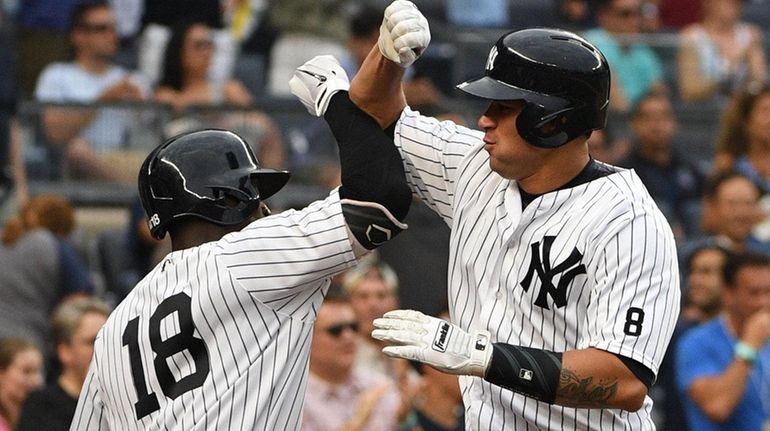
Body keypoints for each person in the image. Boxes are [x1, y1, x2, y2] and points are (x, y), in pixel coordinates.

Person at [345, 2, 680, 429]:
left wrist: (481, 355)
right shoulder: (473, 163)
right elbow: (374, 110)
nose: (484, 119)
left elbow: (626, 381)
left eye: (504, 107)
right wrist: (389, 57)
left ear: (551, 120)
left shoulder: (629, 221)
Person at [70, 55, 413, 429]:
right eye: (253, 195)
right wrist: (335, 100)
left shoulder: (114, 326)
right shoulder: (246, 255)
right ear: (228, 201)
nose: (264, 208)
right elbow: (380, 201)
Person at [34, 1, 148, 182]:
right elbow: (54, 133)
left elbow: (151, 131)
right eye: (102, 28)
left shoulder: (132, 79)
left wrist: (144, 107)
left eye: (114, 28)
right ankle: (131, 190)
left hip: (122, 158)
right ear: (78, 35)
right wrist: (104, 99)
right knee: (78, 149)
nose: (112, 35)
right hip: (73, 167)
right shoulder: (56, 74)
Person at [154, 20, 285, 169]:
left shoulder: (228, 89)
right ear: (179, 50)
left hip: (231, 160)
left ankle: (271, 188)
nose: (206, 52)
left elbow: (259, 122)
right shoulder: (166, 93)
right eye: (199, 45)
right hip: (187, 166)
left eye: (209, 45)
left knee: (264, 126)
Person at [675, 251, 770, 430]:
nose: (764, 303)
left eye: (768, 292)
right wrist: (749, 345)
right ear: (728, 294)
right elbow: (717, 406)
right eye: (754, 293)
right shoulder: (696, 343)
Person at [0, 194, 94, 351]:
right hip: (30, 344)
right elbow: (78, 300)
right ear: (62, 225)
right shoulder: (54, 244)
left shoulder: (5, 239)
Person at [302, 287, 400, 431]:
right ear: (308, 338)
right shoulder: (295, 400)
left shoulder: (379, 386)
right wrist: (357, 423)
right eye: (335, 330)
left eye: (353, 327)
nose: (348, 337)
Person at [617, 90, 704, 240]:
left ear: (674, 122)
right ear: (634, 124)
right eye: (648, 118)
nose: (656, 124)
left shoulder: (689, 168)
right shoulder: (622, 173)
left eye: (663, 117)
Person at [17, 297, 110, 431]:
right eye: (92, 342)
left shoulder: (119, 400)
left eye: (107, 340)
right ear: (64, 351)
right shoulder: (40, 407)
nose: (102, 349)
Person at [582, 0, 665, 113]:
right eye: (625, 14)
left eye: (638, 14)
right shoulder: (590, 44)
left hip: (639, 119)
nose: (634, 21)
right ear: (604, 16)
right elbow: (616, 103)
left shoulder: (643, 50)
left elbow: (659, 93)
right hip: (608, 119)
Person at [677, 0, 767, 104]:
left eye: (739, 3)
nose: (735, 5)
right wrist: (729, 69)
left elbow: (761, 84)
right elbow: (689, 92)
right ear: (709, 3)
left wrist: (754, 69)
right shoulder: (691, 36)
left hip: (742, 109)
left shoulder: (751, 34)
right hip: (703, 112)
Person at [341, 254, 402, 378]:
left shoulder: (403, 354)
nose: (373, 305)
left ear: (396, 302)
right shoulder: (341, 356)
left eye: (381, 295)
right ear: (347, 303)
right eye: (363, 296)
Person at [0, 338, 44, 431]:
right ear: (2, 373)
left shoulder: (40, 416)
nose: (36, 381)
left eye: (38, 371)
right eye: (27, 371)